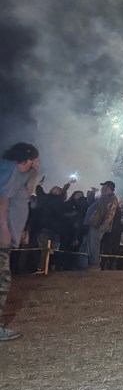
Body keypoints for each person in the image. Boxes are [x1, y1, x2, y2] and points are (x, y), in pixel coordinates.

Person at [0, 143, 40, 342]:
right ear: (25, 159)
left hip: (6, 235)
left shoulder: (14, 171)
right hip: (0, 236)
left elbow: (25, 194)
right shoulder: (11, 172)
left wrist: (20, 229)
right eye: (33, 160)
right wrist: (5, 231)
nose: (35, 163)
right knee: (2, 281)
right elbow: (3, 201)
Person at [83, 180, 117, 271]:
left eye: (104, 187)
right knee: (90, 244)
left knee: (94, 245)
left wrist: (103, 226)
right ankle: (92, 264)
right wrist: (91, 193)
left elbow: (110, 214)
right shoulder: (102, 198)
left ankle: (95, 265)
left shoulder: (112, 199)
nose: (102, 188)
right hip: (93, 223)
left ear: (109, 188)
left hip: (98, 225)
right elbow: (91, 204)